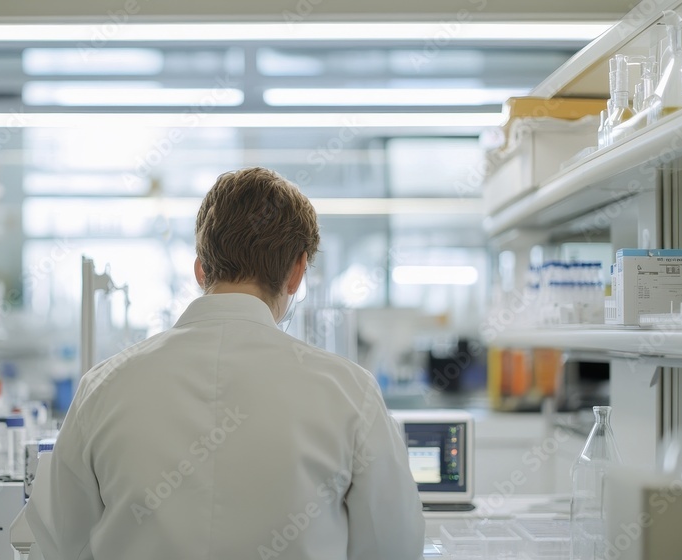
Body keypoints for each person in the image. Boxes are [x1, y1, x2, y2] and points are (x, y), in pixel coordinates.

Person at [25, 167, 425, 559]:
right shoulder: (349, 392)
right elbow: (394, 546)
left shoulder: (103, 386)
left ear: (200, 270)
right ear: (297, 272)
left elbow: (58, 542)